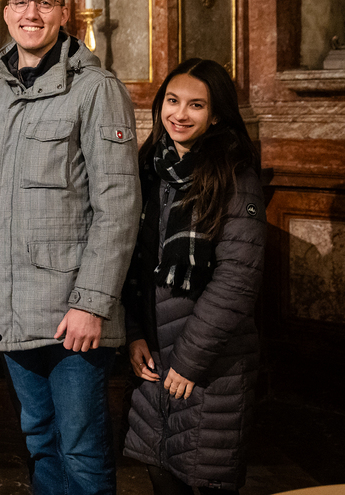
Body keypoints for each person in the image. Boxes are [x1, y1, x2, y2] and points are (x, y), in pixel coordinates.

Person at [0, 0, 141, 494]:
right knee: (40, 441)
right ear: (6, 13)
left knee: (82, 451)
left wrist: (92, 303)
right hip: (12, 307)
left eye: (45, 2)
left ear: (64, 14)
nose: (32, 13)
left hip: (73, 316)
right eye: (21, 2)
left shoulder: (96, 90)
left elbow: (119, 205)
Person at [122, 58, 265, 494]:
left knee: (205, 477)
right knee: (162, 472)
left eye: (196, 105)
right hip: (155, 354)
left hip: (210, 362)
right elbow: (133, 263)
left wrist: (188, 361)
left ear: (216, 114)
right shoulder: (150, 168)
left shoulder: (234, 176)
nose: (180, 114)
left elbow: (236, 282)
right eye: (172, 100)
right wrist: (134, 333)